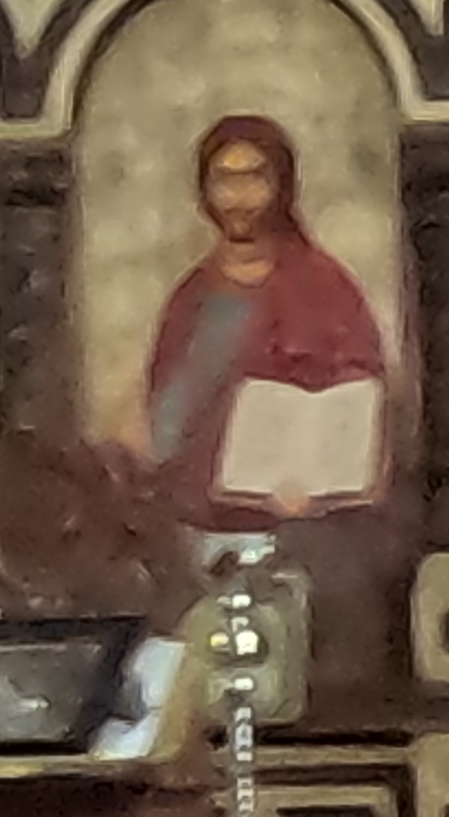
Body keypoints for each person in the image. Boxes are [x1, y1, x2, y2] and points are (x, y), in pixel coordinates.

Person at [128, 115, 391, 525]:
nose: (238, 197)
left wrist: (312, 480)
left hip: (301, 517)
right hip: (194, 517)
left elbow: (358, 393)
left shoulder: (324, 286)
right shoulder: (191, 294)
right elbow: (166, 403)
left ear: (281, 185)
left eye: (254, 179)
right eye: (224, 180)